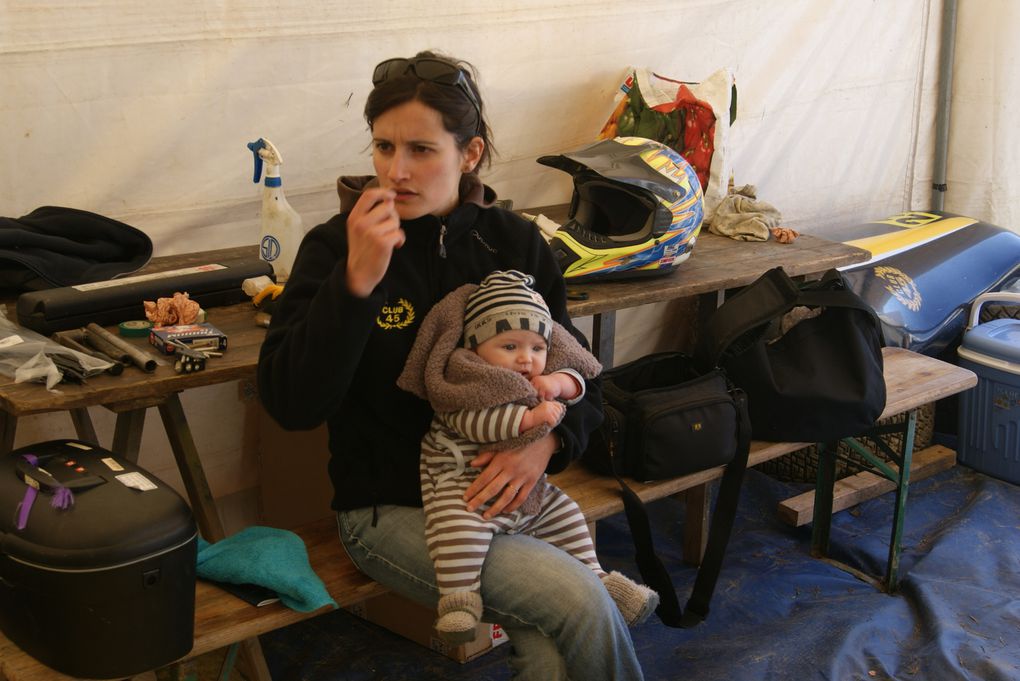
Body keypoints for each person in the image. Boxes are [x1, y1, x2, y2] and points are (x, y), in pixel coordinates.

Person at [257, 50, 647, 680]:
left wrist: (544, 445)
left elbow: (584, 378)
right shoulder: (337, 245)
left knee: (552, 648)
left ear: (470, 153)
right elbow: (291, 403)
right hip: (393, 511)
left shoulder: (515, 244)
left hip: (515, 499)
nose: (396, 171)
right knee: (580, 600)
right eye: (383, 148)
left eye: (421, 150)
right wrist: (354, 285)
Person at [397, 269, 658, 643]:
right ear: (475, 348)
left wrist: (557, 383)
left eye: (537, 348)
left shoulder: (537, 373)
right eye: (510, 346)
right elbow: (474, 423)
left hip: (528, 491)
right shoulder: (463, 380)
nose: (526, 359)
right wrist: (531, 418)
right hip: (464, 489)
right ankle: (459, 600)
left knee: (566, 512)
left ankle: (602, 579)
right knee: (456, 532)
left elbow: (582, 381)